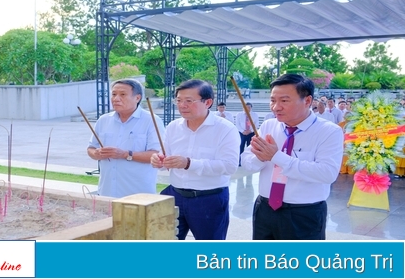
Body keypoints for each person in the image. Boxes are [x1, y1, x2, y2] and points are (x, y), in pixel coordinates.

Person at [241, 74, 343, 240]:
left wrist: (276, 156)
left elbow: (327, 173)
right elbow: (246, 162)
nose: (276, 107)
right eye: (273, 100)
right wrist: (259, 157)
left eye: (284, 101)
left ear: (308, 101)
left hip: (303, 213)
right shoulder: (269, 125)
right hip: (265, 209)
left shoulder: (329, 131)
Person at [150, 79, 240, 240]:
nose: (182, 105)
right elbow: (165, 158)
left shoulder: (226, 129)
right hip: (175, 194)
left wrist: (189, 163)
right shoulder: (173, 127)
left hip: (208, 199)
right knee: (164, 242)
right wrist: (158, 160)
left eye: (189, 101)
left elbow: (229, 166)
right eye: (178, 100)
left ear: (208, 102)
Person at [87, 79, 165, 198]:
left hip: (138, 193)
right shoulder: (104, 120)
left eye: (122, 94)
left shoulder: (151, 121)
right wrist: (96, 153)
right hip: (106, 191)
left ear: (137, 98)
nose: (116, 98)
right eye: (113, 94)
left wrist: (125, 154)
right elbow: (91, 148)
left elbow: (157, 154)